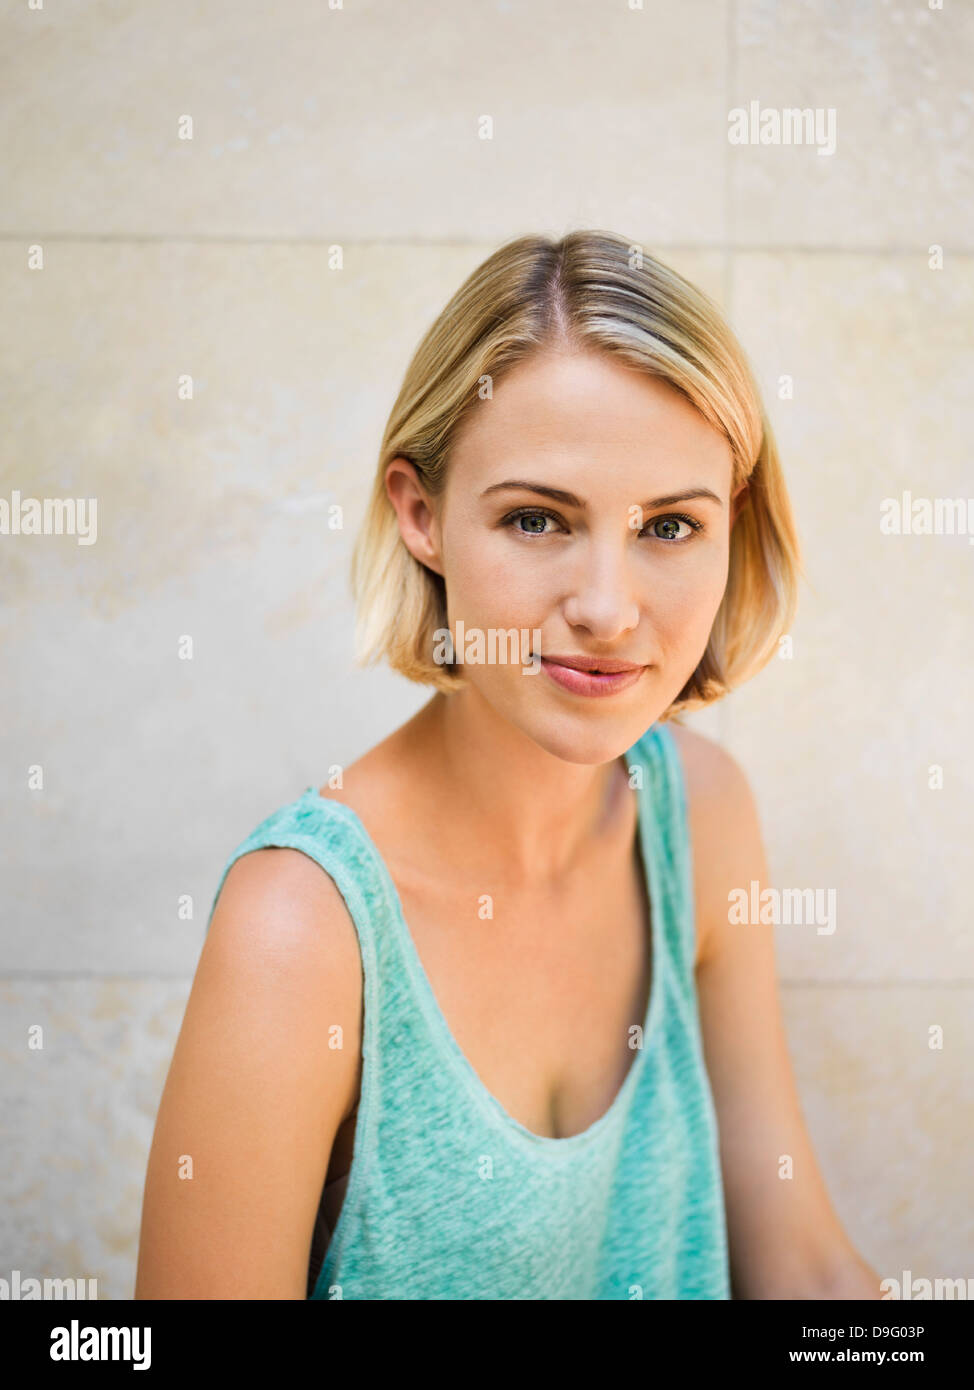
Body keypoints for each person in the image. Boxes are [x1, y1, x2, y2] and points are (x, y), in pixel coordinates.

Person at [135, 230, 881, 1300]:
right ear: (421, 513)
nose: (606, 608)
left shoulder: (698, 814)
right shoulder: (301, 928)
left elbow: (802, 1272)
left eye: (669, 525)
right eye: (536, 519)